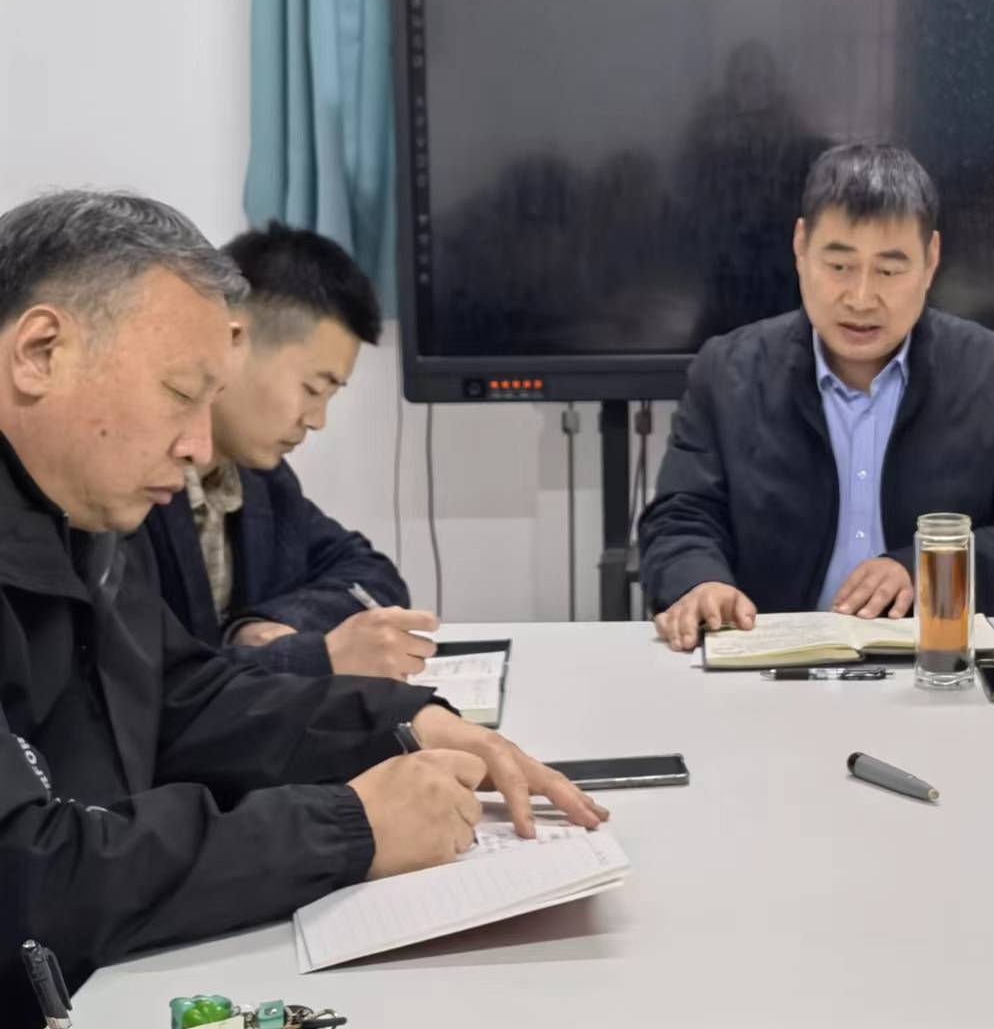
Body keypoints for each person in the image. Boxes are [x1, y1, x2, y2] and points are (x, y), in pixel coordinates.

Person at [0, 191, 606, 1018]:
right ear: (40, 352)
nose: (199, 447)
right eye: (180, 393)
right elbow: (28, 875)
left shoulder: (83, 515)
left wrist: (400, 722)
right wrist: (348, 828)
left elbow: (180, 700)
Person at [640, 143, 994, 651]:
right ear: (801, 247)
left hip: (940, 664)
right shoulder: (727, 373)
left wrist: (927, 570)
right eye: (839, 265)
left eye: (889, 270)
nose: (860, 298)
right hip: (772, 666)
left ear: (931, 259)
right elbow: (683, 515)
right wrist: (699, 582)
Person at [144, 222, 431, 679]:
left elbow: (370, 573)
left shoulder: (263, 482)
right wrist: (306, 656)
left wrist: (263, 625)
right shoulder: (134, 484)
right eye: (313, 388)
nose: (317, 420)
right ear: (232, 341)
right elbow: (150, 681)